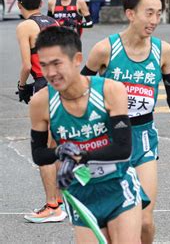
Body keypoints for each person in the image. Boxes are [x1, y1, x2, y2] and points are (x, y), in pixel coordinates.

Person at [82, 0, 170, 244]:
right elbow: (79, 91)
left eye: (158, 14)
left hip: (144, 137)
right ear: (130, 14)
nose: (155, 20)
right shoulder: (105, 50)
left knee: (145, 222)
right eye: (149, 13)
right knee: (112, 223)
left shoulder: (162, 51)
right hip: (108, 138)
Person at [29, 26, 144, 242]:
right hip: (80, 192)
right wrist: (60, 151)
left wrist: (81, 156)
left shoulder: (110, 90)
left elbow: (123, 148)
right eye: (44, 65)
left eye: (56, 63)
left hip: (118, 185)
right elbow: (39, 154)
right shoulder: (41, 102)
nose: (50, 73)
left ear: (77, 59)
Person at [15, 0, 65, 224]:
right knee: (57, 145)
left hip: (43, 86)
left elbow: (27, 65)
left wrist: (21, 86)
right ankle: (63, 200)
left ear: (19, 2)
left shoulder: (25, 26)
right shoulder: (52, 21)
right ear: (41, 1)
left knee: (44, 149)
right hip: (63, 84)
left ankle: (53, 206)